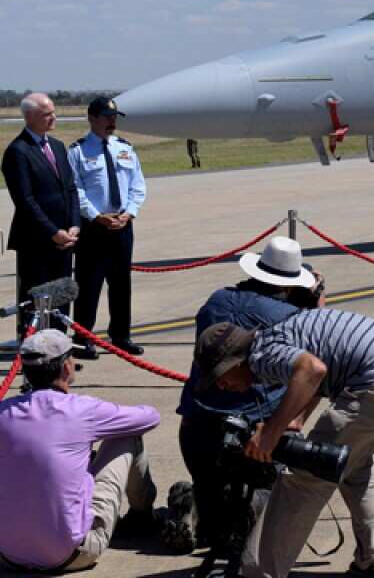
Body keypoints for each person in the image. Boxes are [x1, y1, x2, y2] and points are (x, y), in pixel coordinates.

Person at [195, 308, 374, 578]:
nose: (221, 386)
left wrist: (269, 434)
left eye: (219, 377)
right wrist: (295, 420)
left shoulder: (260, 357)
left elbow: (312, 369)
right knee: (352, 466)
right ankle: (372, 562)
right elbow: (319, 370)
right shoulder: (274, 337)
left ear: (235, 362)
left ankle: (260, 573)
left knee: (306, 476)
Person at [168, 237, 322, 554]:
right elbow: (315, 365)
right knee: (277, 493)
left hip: (197, 425)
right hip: (256, 428)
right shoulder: (293, 317)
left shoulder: (216, 300)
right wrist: (315, 300)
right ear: (290, 283)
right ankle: (248, 512)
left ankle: (198, 505)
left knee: (210, 489)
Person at [0, 329, 159, 572]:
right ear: (66, 367)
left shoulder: (4, 411)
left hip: (8, 554)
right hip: (71, 554)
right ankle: (141, 516)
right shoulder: (82, 410)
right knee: (127, 436)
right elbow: (150, 417)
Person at [2, 93, 86, 354]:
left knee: (60, 301)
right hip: (37, 242)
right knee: (35, 303)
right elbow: (25, 201)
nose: (53, 118)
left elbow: (71, 189)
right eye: (46, 114)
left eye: (53, 112)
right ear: (29, 117)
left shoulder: (58, 147)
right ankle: (35, 356)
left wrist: (74, 225)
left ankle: (59, 353)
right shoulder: (18, 151)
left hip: (64, 239)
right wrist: (53, 232)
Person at [68, 95, 147, 356]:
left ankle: (121, 336)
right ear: (92, 118)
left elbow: (137, 185)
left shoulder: (124, 147)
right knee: (88, 285)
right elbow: (75, 190)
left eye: (114, 117)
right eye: (106, 117)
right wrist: (95, 215)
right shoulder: (78, 151)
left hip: (122, 226)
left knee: (121, 284)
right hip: (94, 228)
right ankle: (83, 339)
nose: (112, 121)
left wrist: (130, 213)